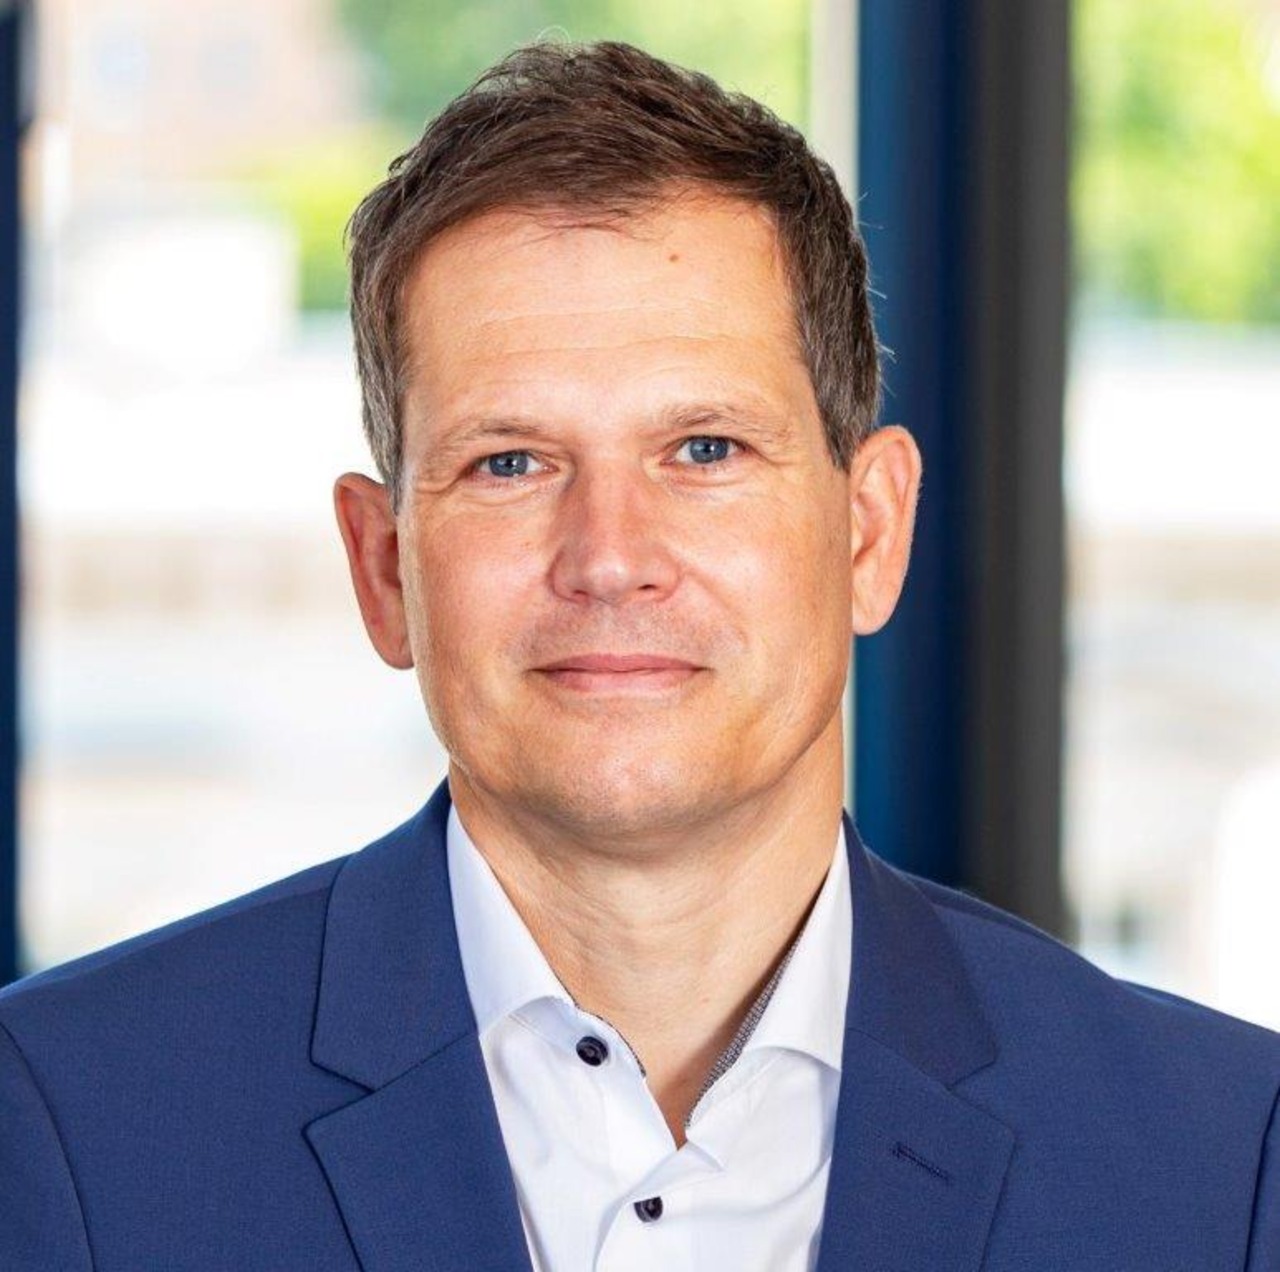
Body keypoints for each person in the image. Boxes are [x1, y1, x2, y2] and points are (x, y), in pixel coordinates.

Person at [1, 39, 1276, 1272]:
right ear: (384, 567)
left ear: (867, 532)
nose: (610, 556)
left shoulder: (1224, 1165)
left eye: (704, 450)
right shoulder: (59, 1122)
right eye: (509, 462)